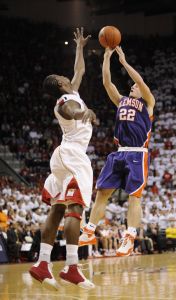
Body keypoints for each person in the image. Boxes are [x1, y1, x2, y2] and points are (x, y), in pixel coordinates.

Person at [29, 28, 96, 290]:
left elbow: (79, 71)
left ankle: (42, 263)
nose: (64, 74)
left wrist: (79, 47)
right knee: (75, 208)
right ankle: (71, 267)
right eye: (60, 76)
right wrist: (84, 114)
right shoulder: (64, 101)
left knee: (57, 208)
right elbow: (68, 110)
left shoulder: (73, 92)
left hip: (62, 156)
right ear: (59, 84)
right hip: (72, 156)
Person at [79, 46, 155, 256]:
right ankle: (90, 230)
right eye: (131, 85)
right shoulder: (121, 101)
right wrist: (105, 57)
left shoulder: (148, 103)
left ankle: (129, 238)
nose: (133, 86)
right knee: (102, 192)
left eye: (136, 86)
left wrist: (123, 62)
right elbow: (106, 82)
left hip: (137, 153)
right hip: (119, 152)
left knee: (134, 196)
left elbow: (140, 81)